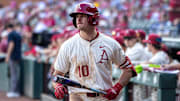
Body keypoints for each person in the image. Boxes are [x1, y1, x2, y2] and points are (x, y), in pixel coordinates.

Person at [53, 2, 137, 101]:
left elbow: (129, 69)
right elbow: (57, 75)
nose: (78, 19)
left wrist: (117, 88)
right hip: (77, 96)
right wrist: (57, 86)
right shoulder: (68, 45)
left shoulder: (110, 43)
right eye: (76, 16)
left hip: (103, 97)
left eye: (82, 16)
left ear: (93, 19)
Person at [5, 23, 22, 98]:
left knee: (13, 74)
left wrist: (8, 56)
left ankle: (14, 91)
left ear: (8, 28)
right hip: (18, 55)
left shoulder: (11, 34)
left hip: (13, 56)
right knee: (15, 74)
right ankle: (15, 91)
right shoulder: (17, 34)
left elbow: (11, 44)